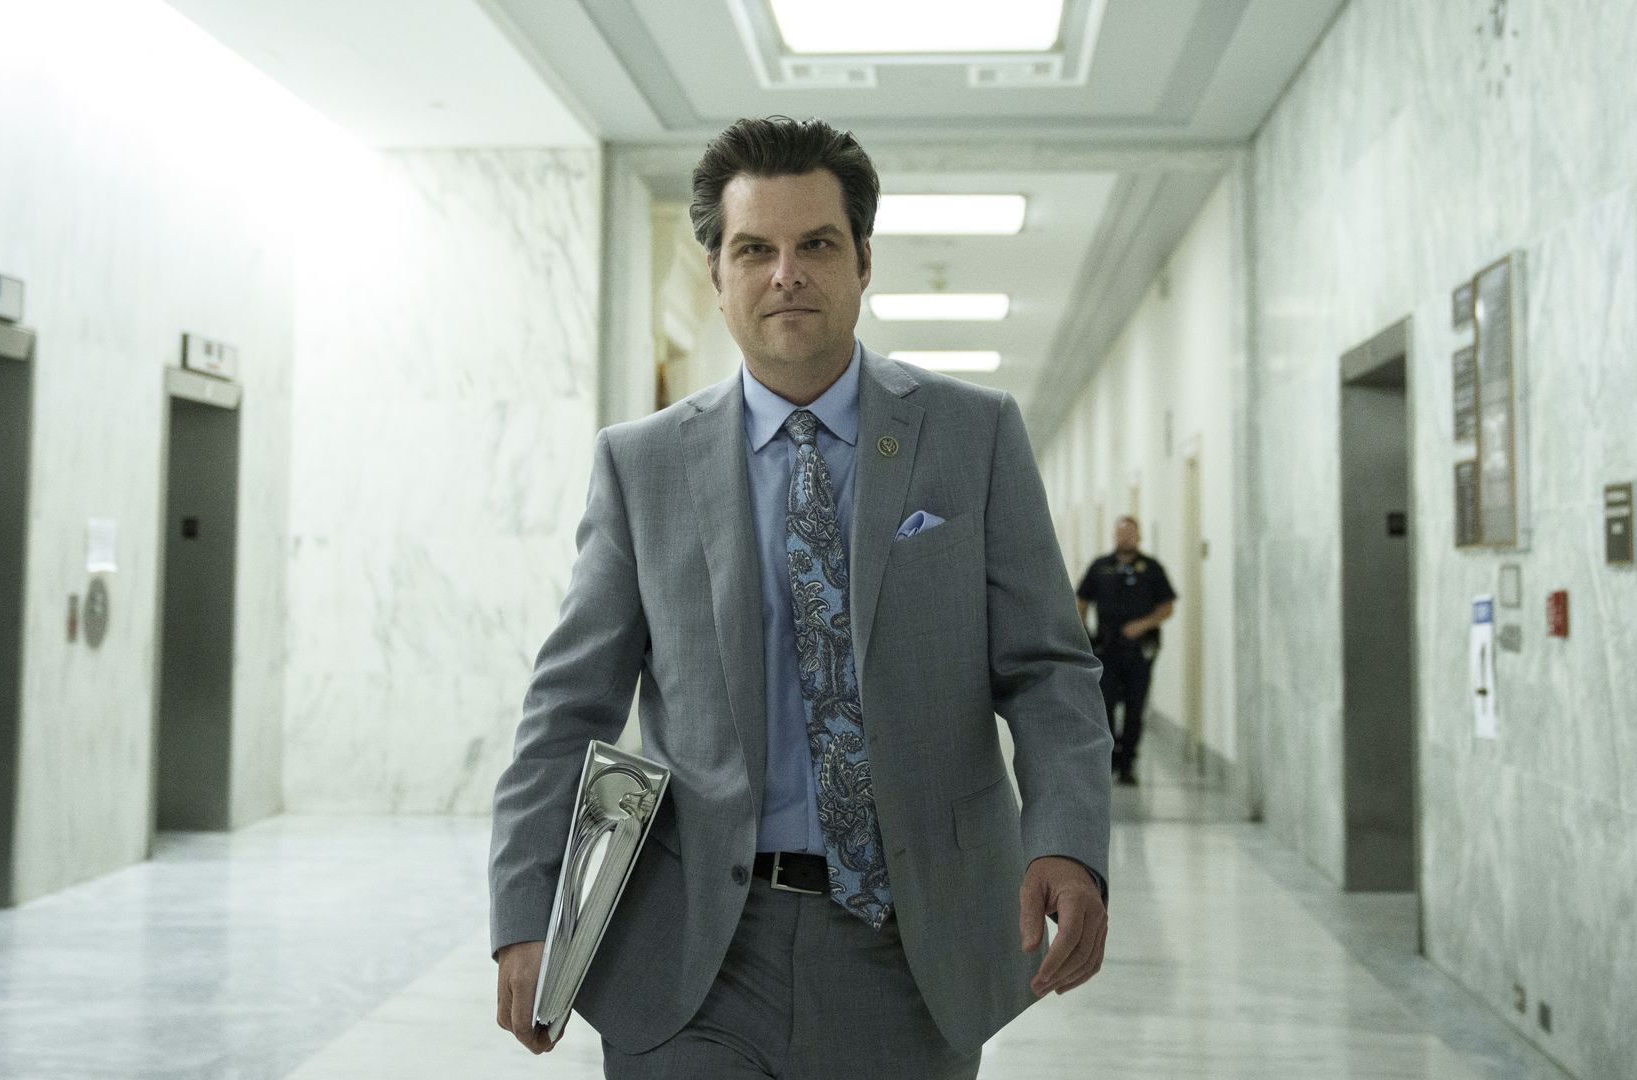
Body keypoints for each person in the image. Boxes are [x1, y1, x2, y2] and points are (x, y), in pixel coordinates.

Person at [489, 115, 1112, 1079]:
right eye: (755, 249)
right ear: (717, 274)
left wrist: (1067, 840)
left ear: (863, 260)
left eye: (817, 244)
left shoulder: (971, 437)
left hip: (912, 954)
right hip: (693, 951)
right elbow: (568, 705)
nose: (788, 272)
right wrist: (526, 910)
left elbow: (1047, 672)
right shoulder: (642, 466)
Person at [1076, 516, 1177, 787]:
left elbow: (1167, 607)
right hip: (1106, 649)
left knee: (1135, 707)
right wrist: (1083, 635)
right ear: (1114, 536)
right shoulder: (1101, 568)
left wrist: (1142, 625)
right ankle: (1109, 759)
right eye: (1120, 533)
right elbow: (1081, 600)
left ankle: (1128, 763)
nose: (1125, 538)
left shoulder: (1151, 569)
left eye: (1130, 533)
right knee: (1105, 705)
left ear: (1138, 536)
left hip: (1139, 652)